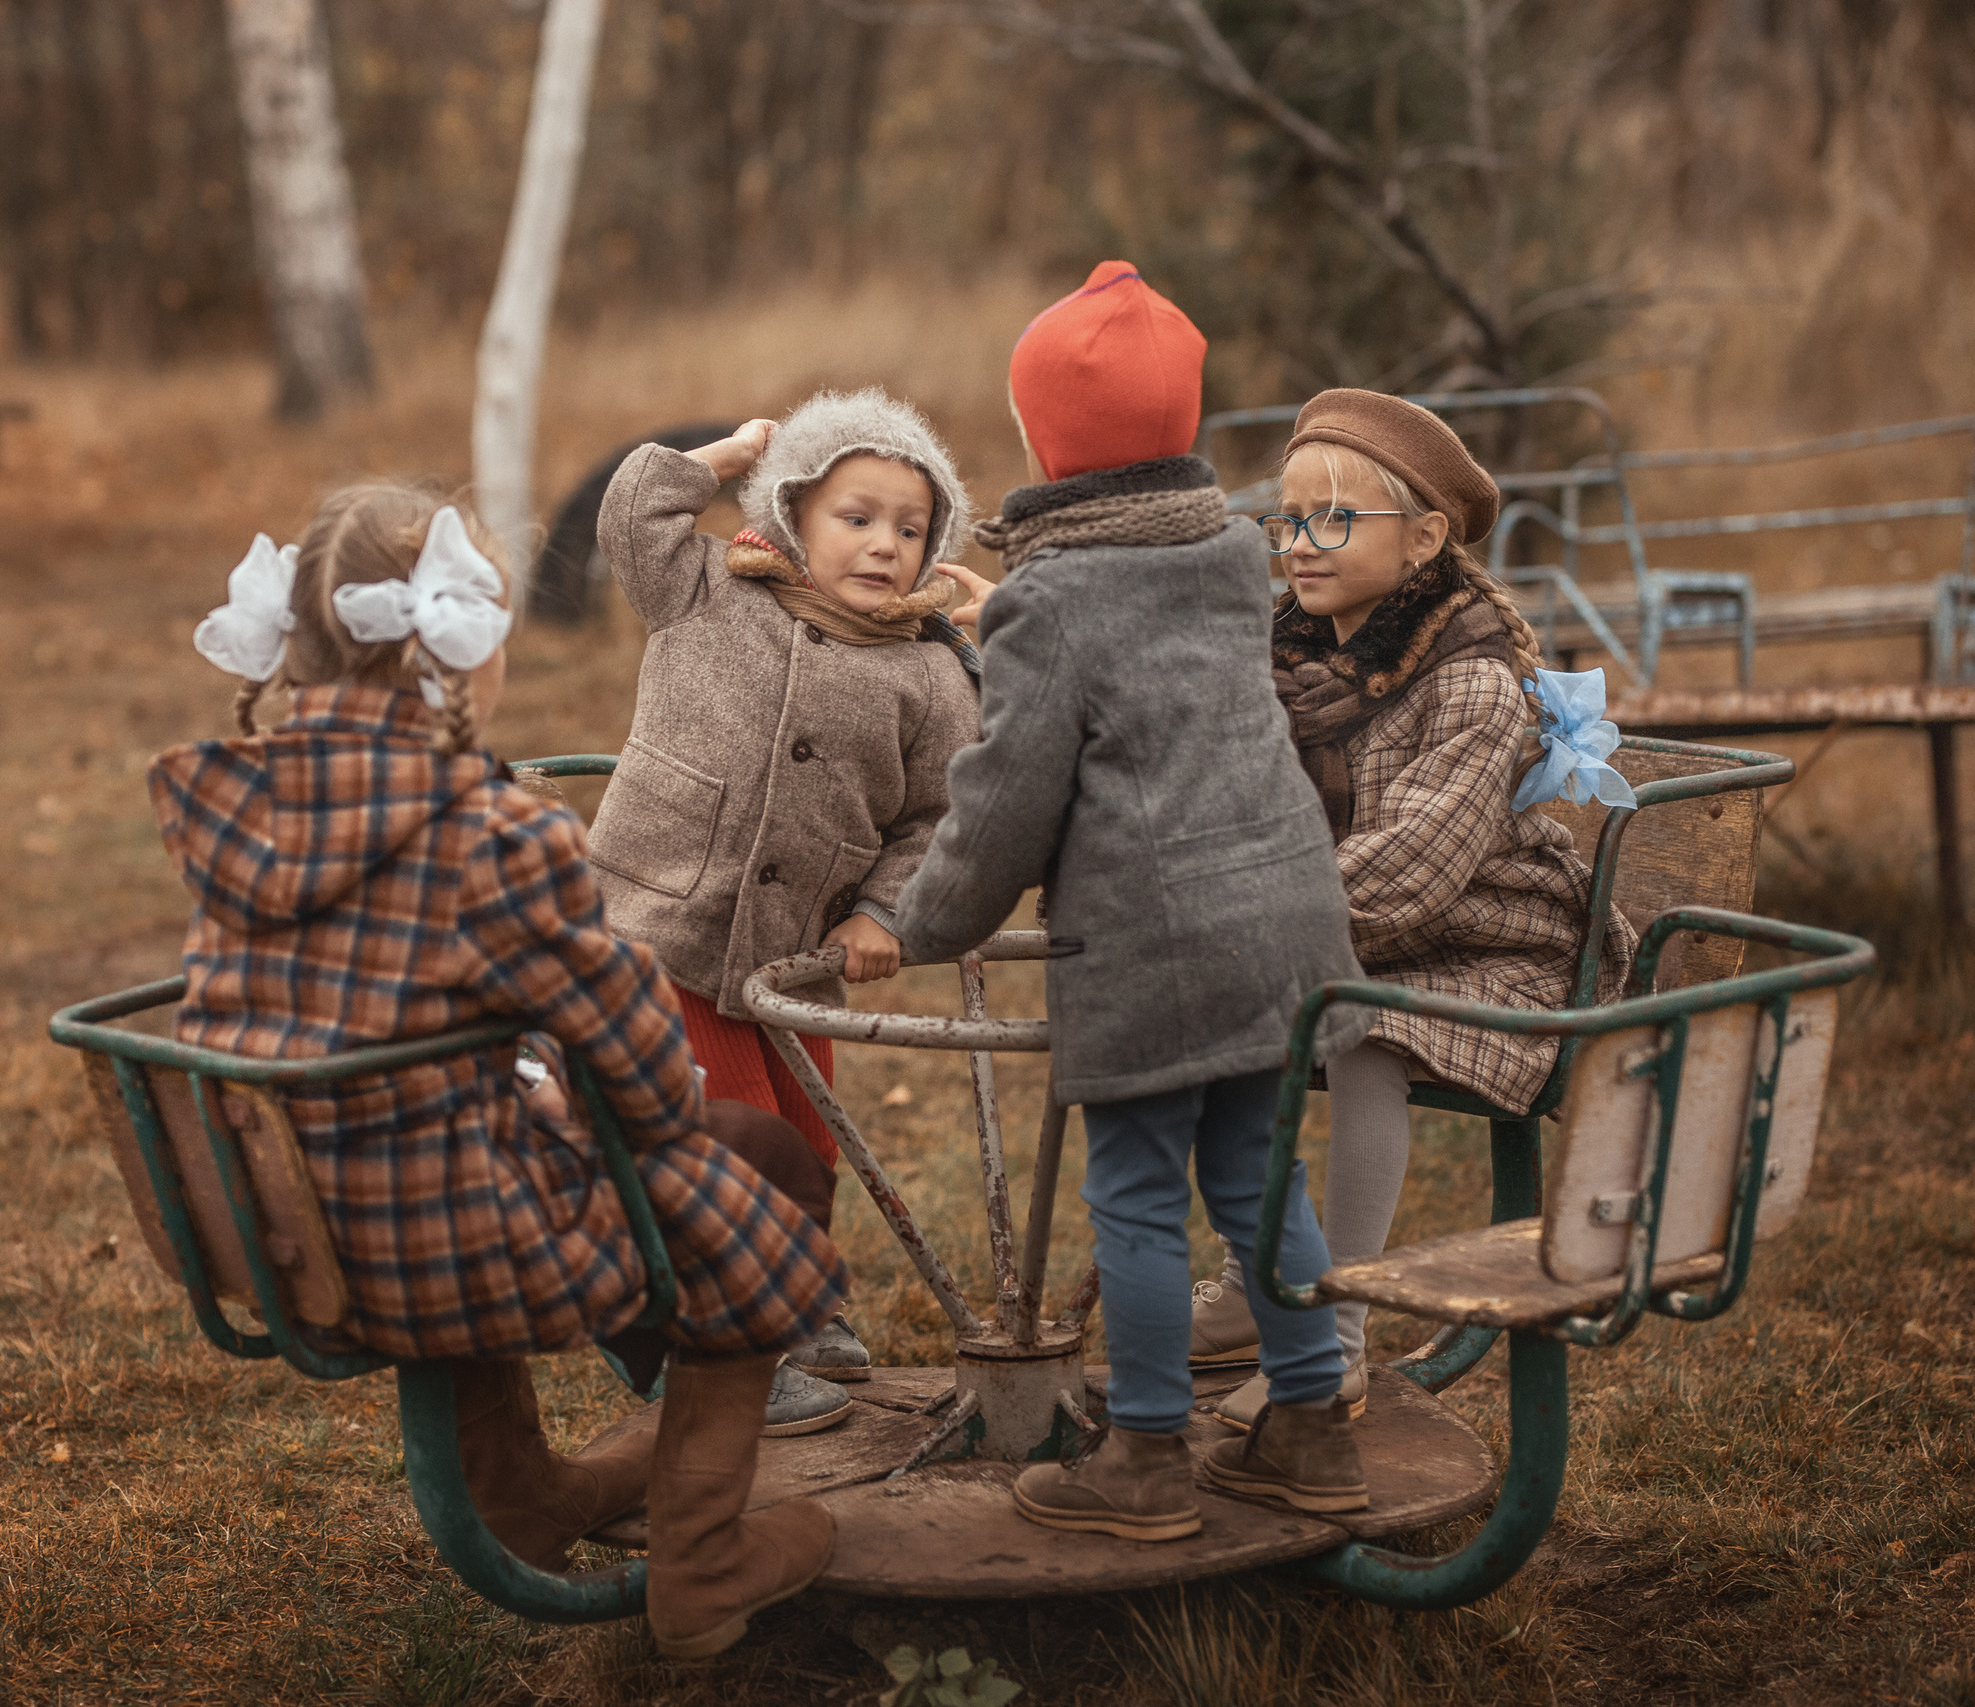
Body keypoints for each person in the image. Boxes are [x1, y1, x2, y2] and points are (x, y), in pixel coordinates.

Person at [153, 481, 845, 1657]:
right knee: (764, 1166)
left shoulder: (238, 803)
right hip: (438, 1232)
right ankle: (705, 1562)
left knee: (479, 1134)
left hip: (272, 1220)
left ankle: (523, 1493)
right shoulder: (490, 829)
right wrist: (613, 1094)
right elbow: (634, 1061)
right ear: (460, 657)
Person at [889, 261, 1376, 1536]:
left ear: (1048, 441)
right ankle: (1313, 1427)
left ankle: (1148, 1459)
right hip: (1284, 916)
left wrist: (923, 922)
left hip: (1161, 946)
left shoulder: (1053, 596)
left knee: (1140, 1198)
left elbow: (1004, 800)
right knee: (1262, 1177)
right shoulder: (1223, 552)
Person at [1198, 390, 1639, 1431]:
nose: (1300, 545)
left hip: (1496, 951)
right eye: (1288, 520)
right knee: (1215, 1013)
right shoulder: (1289, 662)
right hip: (1350, 938)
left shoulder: (1475, 684)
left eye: (1335, 519)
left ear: (1425, 538)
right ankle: (1255, 1291)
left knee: (1360, 1034)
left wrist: (1254, 914)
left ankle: (1337, 1338)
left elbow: (1411, 871)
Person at [587, 388, 985, 1401]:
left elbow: (936, 817)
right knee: (727, 1134)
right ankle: (720, 1347)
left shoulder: (931, 672)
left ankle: (796, 1305)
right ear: (792, 515)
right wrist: (717, 457)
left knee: (808, 1139)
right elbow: (631, 510)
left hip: (795, 953)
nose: (884, 545)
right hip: (661, 926)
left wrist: (881, 909)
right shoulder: (710, 589)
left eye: (910, 527)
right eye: (856, 518)